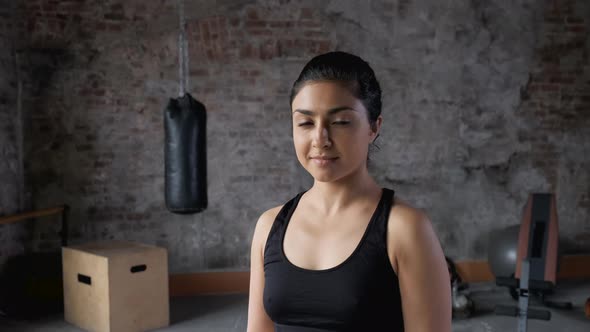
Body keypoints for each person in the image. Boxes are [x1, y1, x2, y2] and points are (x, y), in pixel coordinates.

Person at [247, 51, 451, 332]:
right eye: (306, 123)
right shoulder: (268, 225)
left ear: (373, 127)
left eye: (340, 122)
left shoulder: (405, 228)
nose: (320, 139)